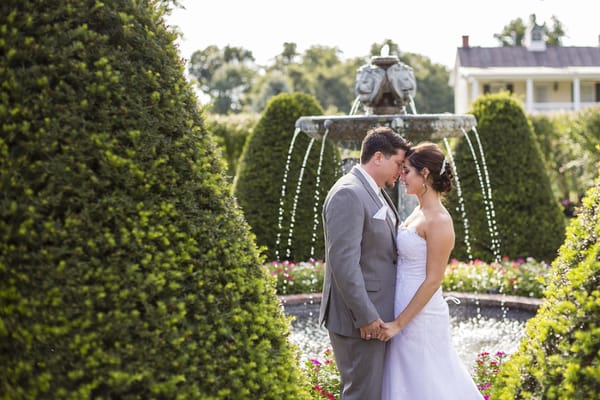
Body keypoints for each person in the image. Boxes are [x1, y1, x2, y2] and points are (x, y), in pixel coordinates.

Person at [378, 142, 484, 400]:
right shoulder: (418, 211)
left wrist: (398, 324)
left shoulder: (439, 220)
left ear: (424, 173)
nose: (401, 177)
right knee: (405, 382)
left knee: (428, 382)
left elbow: (433, 280)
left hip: (420, 317)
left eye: (407, 171)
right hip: (402, 305)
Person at [319, 126, 411, 400]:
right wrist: (366, 316)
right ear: (379, 157)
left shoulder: (374, 190)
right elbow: (343, 262)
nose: (401, 171)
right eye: (398, 163)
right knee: (362, 395)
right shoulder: (349, 193)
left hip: (377, 317)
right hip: (361, 322)